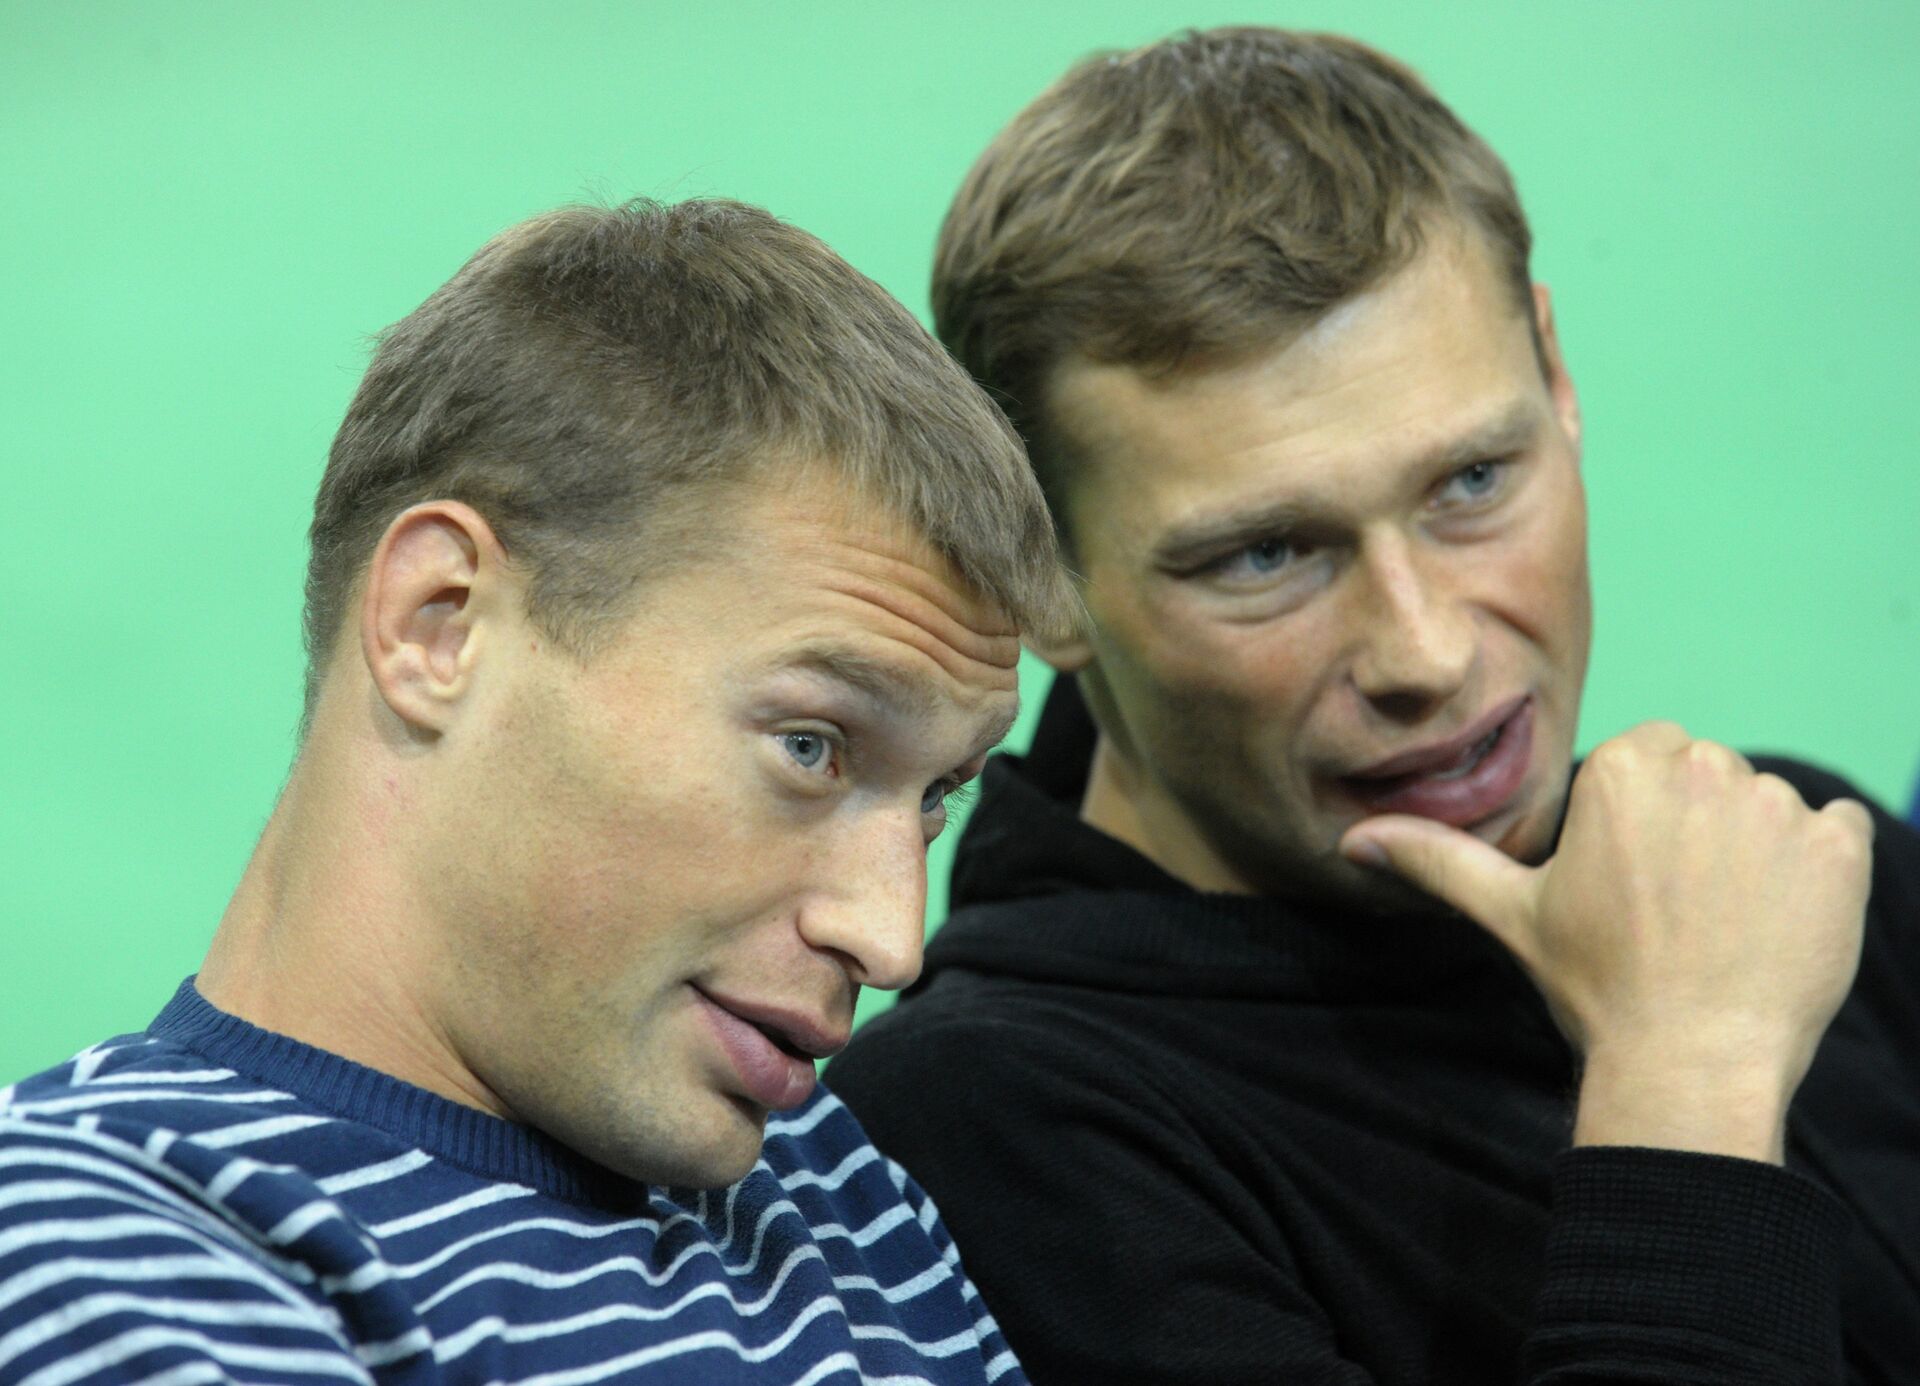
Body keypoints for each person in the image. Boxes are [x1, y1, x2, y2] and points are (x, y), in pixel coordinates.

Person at [828, 28, 1920, 1385]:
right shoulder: (975, 1130)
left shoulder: (1789, 863)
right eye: (1265, 554)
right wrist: (1687, 1079)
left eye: (1473, 481)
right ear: (1036, 579)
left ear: (1558, 379)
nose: (1427, 652)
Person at [0, 198, 1075, 1383]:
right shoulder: (91, 1247)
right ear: (439, 625)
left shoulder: (837, 1189)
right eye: (813, 747)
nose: (891, 939)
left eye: (935, 796)